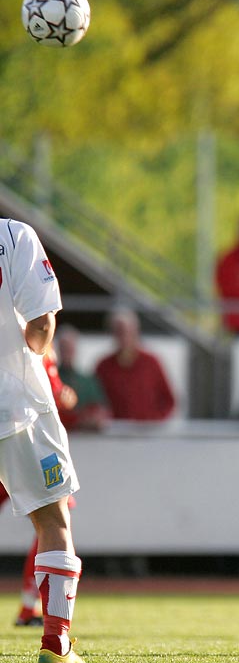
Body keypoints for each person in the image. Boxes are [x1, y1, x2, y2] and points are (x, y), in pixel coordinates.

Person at [0, 218, 84, 662]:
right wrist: (34, 355)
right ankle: (55, 643)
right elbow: (41, 323)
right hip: (15, 403)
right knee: (53, 520)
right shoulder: (14, 235)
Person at [95, 308, 176, 421]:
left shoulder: (151, 363)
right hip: (115, 433)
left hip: (147, 434)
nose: (124, 336)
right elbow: (95, 401)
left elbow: (169, 400)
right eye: (119, 331)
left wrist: (155, 420)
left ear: (136, 331)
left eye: (127, 331)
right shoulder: (103, 366)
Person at [55, 324, 110, 432]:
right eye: (64, 348)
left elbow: (101, 410)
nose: (67, 352)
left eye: (69, 348)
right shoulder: (51, 379)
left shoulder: (88, 381)